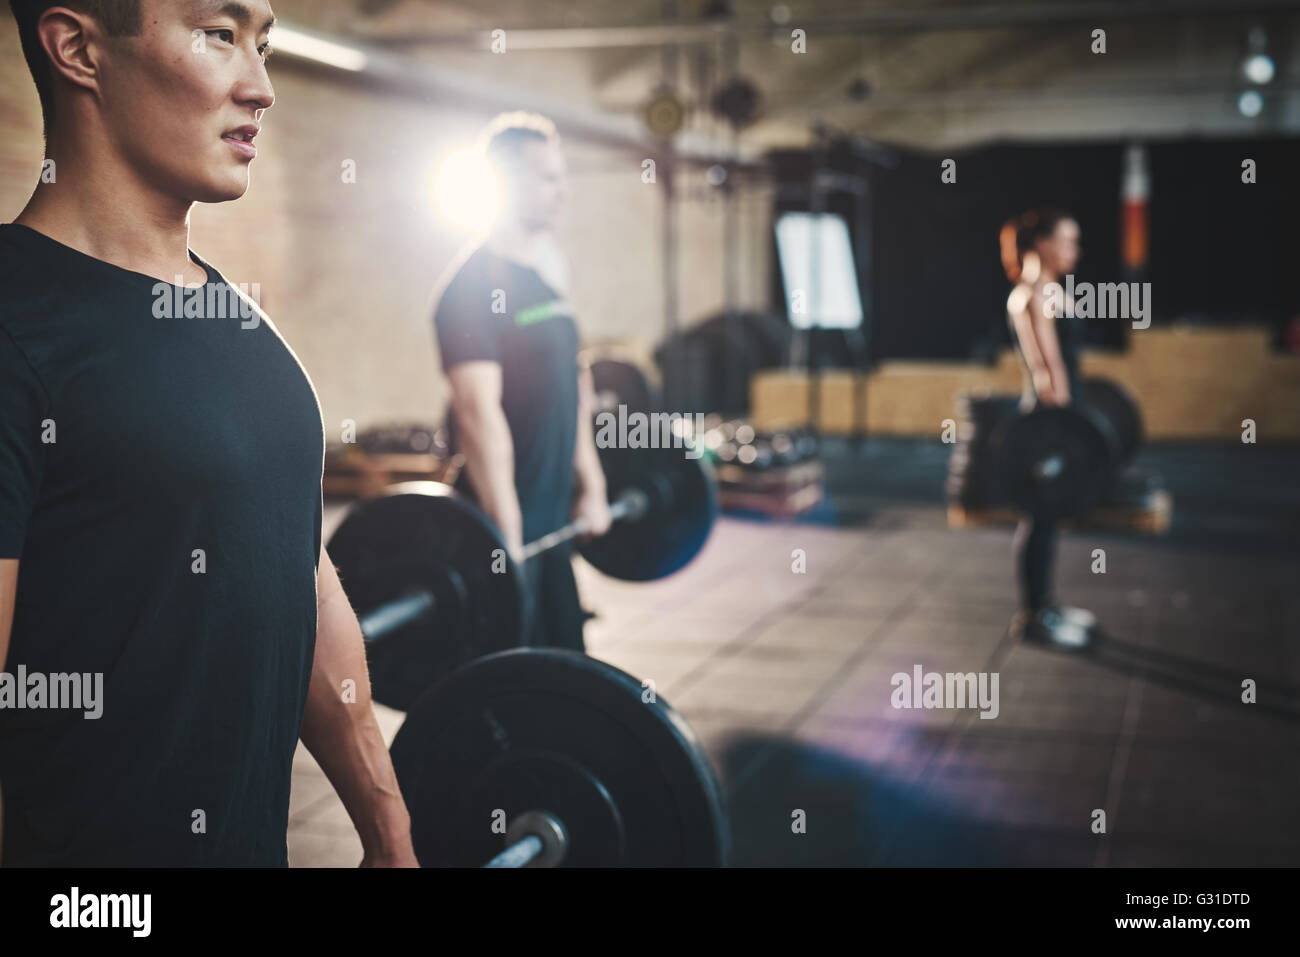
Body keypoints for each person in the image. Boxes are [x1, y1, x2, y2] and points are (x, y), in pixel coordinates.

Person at [0, 0, 417, 865]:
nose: (260, 87)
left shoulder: (241, 329)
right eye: (220, 35)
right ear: (78, 49)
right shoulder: (14, 330)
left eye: (262, 45)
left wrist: (387, 826)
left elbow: (298, 571)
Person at [432, 112, 610, 652]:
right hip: (505, 527)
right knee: (507, 687)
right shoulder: (468, 289)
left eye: (562, 177)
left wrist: (594, 485)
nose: (562, 192)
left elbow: (574, 387)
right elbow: (476, 412)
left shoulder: (546, 280)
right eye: (547, 178)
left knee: (564, 676)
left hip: (551, 524)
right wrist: (504, 533)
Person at [1001, 207, 1097, 650]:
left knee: (1049, 517)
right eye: (1067, 240)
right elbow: (1047, 369)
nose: (1073, 249)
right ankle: (1033, 617)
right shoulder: (1030, 295)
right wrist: (1064, 429)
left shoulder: (1052, 289)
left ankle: (1047, 605)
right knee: (1039, 516)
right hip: (1047, 419)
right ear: (1041, 243)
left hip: (1060, 417)